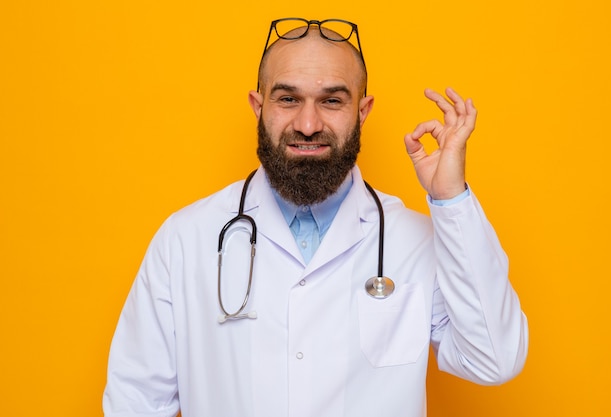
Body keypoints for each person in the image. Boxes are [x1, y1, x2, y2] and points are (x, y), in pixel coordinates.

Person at [103, 18, 528, 417]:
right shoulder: (186, 239)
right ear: (258, 106)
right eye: (288, 99)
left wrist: (451, 201)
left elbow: (494, 358)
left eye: (332, 101)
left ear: (362, 112)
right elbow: (133, 402)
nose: (308, 124)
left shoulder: (414, 241)